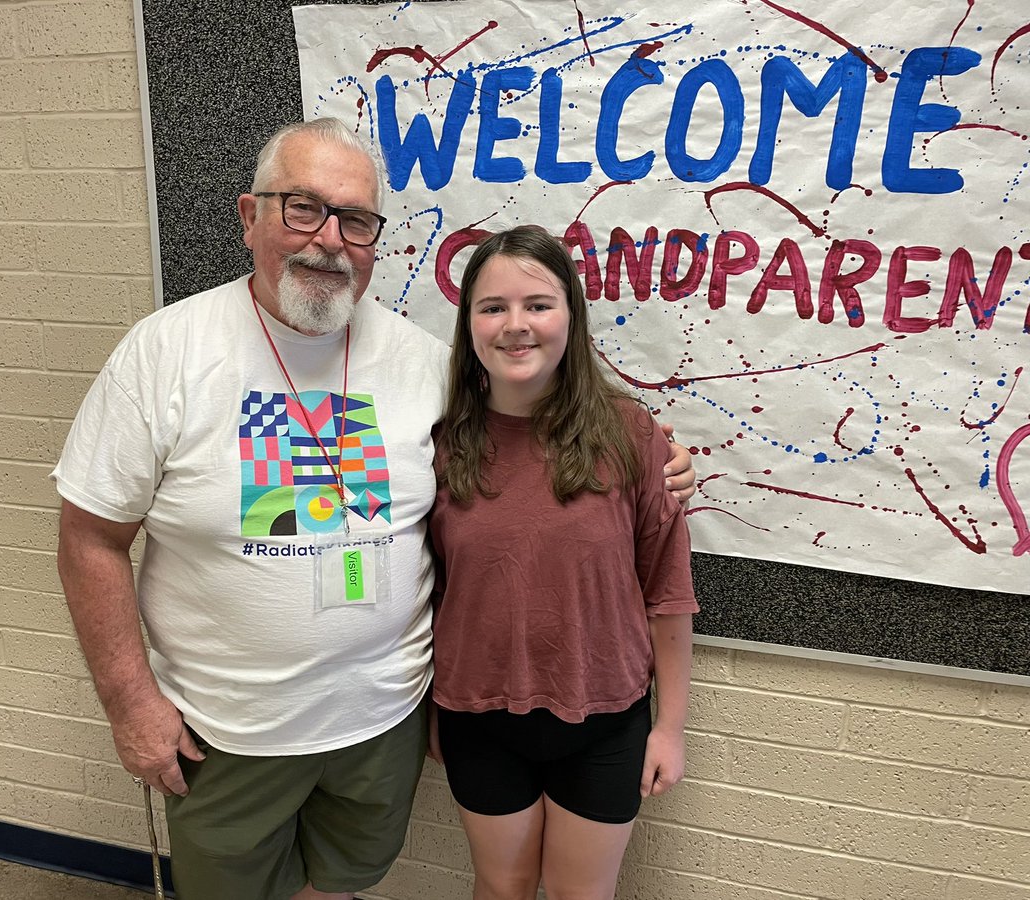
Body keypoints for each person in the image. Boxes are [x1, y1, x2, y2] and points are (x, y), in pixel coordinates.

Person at [52, 118, 696, 900]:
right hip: (229, 733)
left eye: (354, 219)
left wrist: (658, 463)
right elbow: (90, 537)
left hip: (382, 723)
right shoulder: (165, 354)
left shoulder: (426, 367)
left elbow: (526, 474)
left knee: (344, 885)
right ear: (249, 216)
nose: (329, 239)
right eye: (302, 208)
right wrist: (132, 706)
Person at [429, 226, 699, 900]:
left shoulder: (630, 433)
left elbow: (666, 590)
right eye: (492, 307)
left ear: (570, 316)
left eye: (538, 304)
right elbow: (419, 588)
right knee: (502, 887)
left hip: (604, 720)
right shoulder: (436, 444)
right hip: (478, 720)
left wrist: (669, 726)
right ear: (469, 323)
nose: (516, 325)